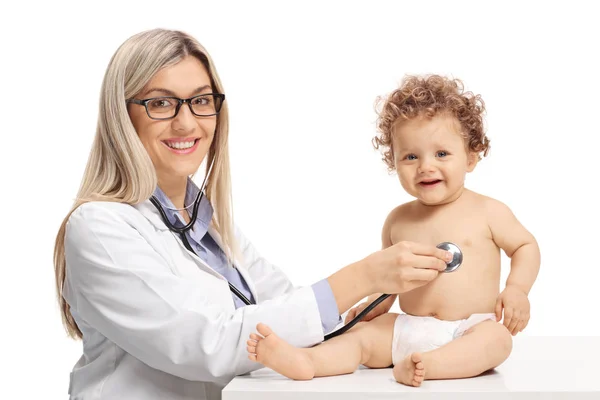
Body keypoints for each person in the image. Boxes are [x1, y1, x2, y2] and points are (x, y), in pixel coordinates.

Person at [53, 30, 453, 400]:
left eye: (201, 100)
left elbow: (280, 306)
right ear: (122, 115)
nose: (186, 122)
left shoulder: (206, 223)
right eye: (160, 103)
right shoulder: (99, 227)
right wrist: (362, 277)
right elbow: (204, 346)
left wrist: (363, 321)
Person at [246, 74, 541, 386]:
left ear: (471, 156)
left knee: (497, 340)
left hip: (468, 328)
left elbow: (525, 246)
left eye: (441, 154)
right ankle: (308, 361)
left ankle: (428, 365)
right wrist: (379, 303)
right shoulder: (398, 220)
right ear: (394, 161)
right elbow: (389, 277)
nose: (426, 166)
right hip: (408, 326)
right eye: (411, 156)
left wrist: (517, 289)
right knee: (362, 336)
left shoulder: (488, 211)